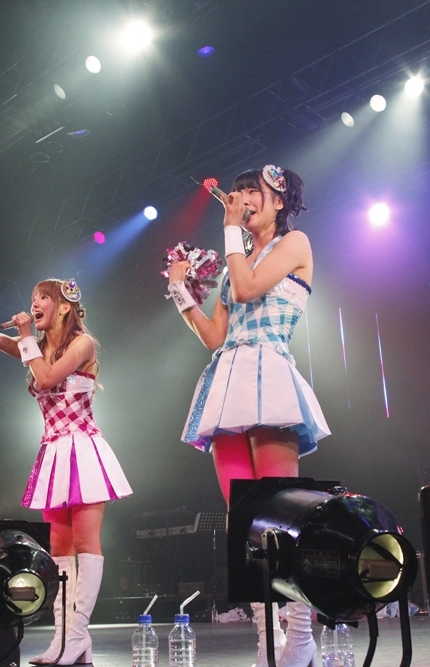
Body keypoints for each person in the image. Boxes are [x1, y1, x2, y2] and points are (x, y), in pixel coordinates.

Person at [167, 165, 329, 667]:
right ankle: (266, 638)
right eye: (236, 192)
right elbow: (215, 336)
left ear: (278, 200)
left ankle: (300, 635)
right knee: (245, 520)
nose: (240, 198)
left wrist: (229, 232)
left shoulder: (294, 243)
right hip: (229, 380)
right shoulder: (237, 261)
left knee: (282, 515)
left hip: (270, 371)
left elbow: (249, 288)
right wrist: (180, 291)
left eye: (251, 191)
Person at [0, 279, 132, 666]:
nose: (34, 303)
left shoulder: (84, 344)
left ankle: (77, 634)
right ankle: (65, 637)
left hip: (82, 447)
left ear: (63, 307)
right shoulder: (38, 349)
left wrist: (28, 337)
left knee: (86, 542)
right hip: (53, 452)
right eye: (32, 298)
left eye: (43, 297)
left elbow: (47, 378)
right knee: (59, 548)